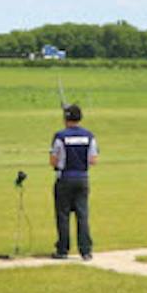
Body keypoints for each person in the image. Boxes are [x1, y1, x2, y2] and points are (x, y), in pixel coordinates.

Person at [50, 102, 96, 261]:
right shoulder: (89, 136)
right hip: (83, 178)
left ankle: (63, 249)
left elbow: (53, 161)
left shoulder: (60, 136)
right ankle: (86, 250)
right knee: (82, 215)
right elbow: (93, 160)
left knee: (63, 215)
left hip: (65, 178)